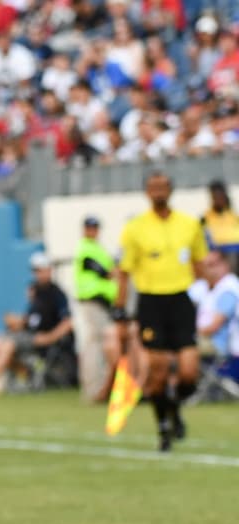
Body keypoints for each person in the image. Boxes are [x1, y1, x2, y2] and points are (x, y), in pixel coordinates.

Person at [115, 172, 208, 451]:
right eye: (152, 187)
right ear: (146, 192)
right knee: (157, 372)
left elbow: (199, 264)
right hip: (151, 301)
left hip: (180, 299)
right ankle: (164, 428)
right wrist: (120, 309)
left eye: (162, 187)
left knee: (189, 370)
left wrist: (203, 295)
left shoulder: (189, 225)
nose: (158, 192)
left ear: (170, 190)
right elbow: (124, 273)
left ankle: (175, 409)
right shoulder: (135, 228)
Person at [0, 253, 74, 395]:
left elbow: (68, 322)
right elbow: (32, 320)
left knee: (8, 345)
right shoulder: (36, 291)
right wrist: (17, 321)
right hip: (27, 335)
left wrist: (51, 337)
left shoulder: (56, 294)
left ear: (49, 270)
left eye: (41, 269)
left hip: (40, 339)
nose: (38, 274)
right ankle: (25, 371)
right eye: (35, 270)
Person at [72, 215, 121, 401]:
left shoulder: (97, 248)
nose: (92, 231)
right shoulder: (85, 248)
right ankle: (94, 388)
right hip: (92, 301)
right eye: (89, 228)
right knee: (96, 343)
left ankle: (100, 387)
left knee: (99, 343)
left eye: (95, 228)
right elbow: (104, 272)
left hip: (102, 303)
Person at [188, 250, 239, 395]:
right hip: (202, 339)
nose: (208, 269)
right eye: (205, 265)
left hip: (221, 346)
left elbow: (213, 326)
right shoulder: (203, 286)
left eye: (212, 264)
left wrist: (184, 331)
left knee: (179, 347)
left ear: (225, 265)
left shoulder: (229, 288)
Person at [201, 180, 239, 271]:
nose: (219, 200)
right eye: (216, 197)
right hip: (217, 254)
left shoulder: (233, 216)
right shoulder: (205, 218)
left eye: (221, 197)